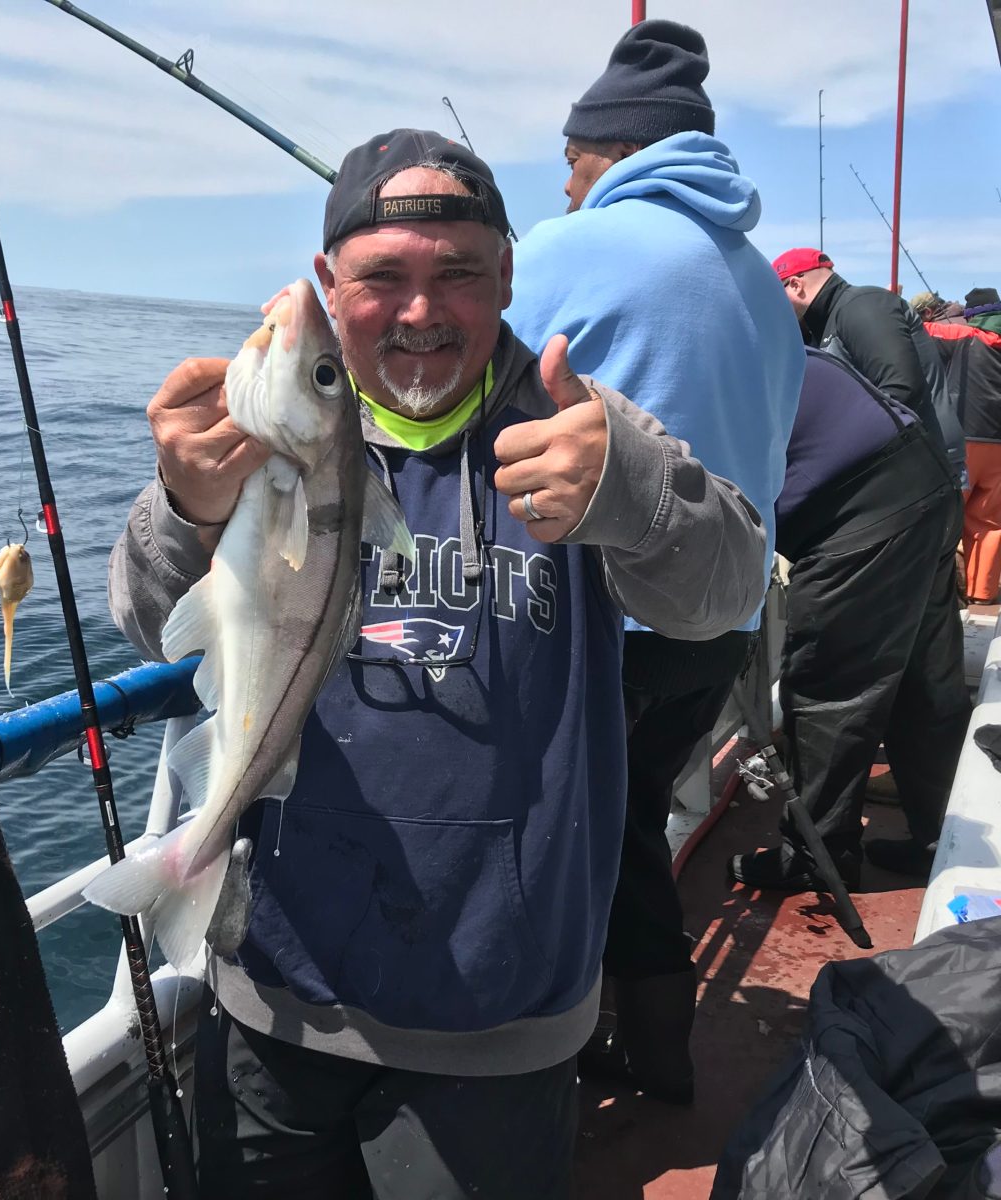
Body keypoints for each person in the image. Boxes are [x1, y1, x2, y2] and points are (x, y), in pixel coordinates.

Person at [108, 129, 768, 1198]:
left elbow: (727, 592)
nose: (421, 312)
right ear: (329, 287)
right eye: (382, 280)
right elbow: (147, 621)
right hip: (272, 996)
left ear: (507, 275)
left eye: (459, 273)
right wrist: (185, 508)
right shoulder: (261, 446)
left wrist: (631, 493)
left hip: (498, 1025)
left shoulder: (577, 423)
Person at [505, 18, 803, 1104]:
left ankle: (571, 1058)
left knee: (573, 842)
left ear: (611, 150)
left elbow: (440, 393)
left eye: (573, 161)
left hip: (606, 627)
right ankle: (659, 1057)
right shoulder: (767, 287)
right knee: (627, 824)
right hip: (716, 630)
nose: (565, 181)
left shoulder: (564, 245)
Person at [729, 349, 970, 889]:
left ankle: (818, 859)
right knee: (920, 679)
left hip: (859, 513)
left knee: (827, 690)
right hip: (922, 481)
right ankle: (939, 834)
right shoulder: (761, 340)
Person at [773, 247, 968, 489]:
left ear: (795, 285)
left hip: (923, 468)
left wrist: (832, 449)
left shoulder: (861, 305)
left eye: (775, 295)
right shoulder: (827, 322)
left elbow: (901, 389)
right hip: (900, 466)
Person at [927, 286, 1001, 602]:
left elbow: (914, 330)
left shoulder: (962, 335)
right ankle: (982, 594)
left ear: (973, 315)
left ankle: (942, 595)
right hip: (1000, 447)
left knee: (946, 516)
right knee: (989, 522)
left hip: (965, 441)